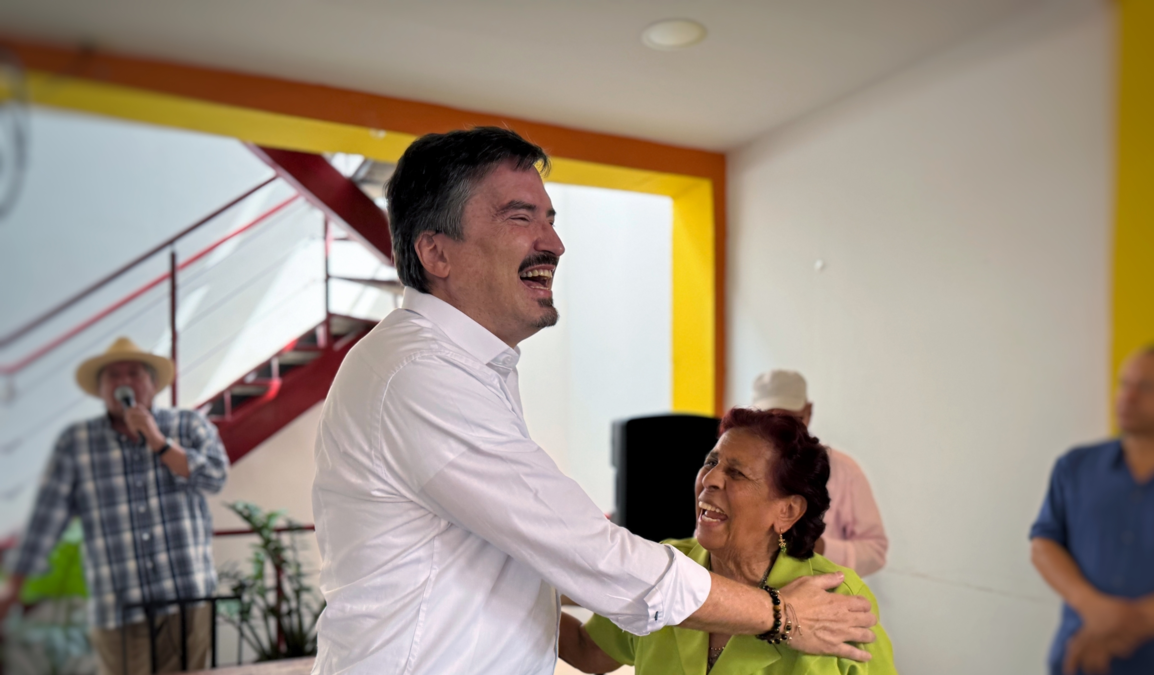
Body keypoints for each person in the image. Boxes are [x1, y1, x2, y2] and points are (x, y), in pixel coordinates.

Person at [310, 127, 877, 675]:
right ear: (436, 252)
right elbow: (591, 564)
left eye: (551, 220)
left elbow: (548, 554)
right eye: (520, 217)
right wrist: (781, 615)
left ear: (789, 510)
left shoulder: (466, 369)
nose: (554, 244)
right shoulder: (421, 373)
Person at [558, 407, 896, 674]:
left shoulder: (839, 599)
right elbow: (589, 651)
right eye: (711, 462)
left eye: (736, 473)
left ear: (787, 511)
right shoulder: (667, 566)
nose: (710, 479)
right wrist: (526, 590)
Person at [0, 337, 230, 674]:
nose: (124, 381)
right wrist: (14, 589)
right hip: (118, 606)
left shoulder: (188, 424)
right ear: (101, 389)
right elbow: (48, 518)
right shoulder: (77, 442)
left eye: (134, 373)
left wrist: (158, 441)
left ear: (152, 383)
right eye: (113, 376)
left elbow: (216, 478)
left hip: (185, 596)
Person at [1030, 346, 1154, 674]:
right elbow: (1043, 543)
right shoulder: (1076, 466)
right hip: (1081, 661)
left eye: (1146, 387)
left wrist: (1125, 623)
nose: (1127, 397)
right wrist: (1090, 605)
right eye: (1124, 384)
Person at [751, 369, 888, 576]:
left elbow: (875, 551)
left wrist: (820, 547)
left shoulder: (844, 471)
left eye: (791, 420)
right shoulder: (736, 467)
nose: (781, 430)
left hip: (821, 591)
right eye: (770, 420)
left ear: (809, 412)